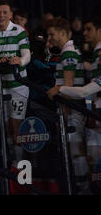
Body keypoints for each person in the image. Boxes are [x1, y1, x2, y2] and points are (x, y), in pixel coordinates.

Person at [46, 17, 90, 194]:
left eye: (52, 34)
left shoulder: (69, 53)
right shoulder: (68, 51)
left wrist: (64, 108)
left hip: (74, 109)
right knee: (74, 151)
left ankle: (84, 189)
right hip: (72, 108)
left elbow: (69, 85)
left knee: (76, 151)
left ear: (62, 33)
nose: (49, 39)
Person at [0, 0, 31, 168]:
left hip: (18, 85)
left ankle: (19, 163)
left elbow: (27, 55)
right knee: (5, 126)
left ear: (10, 14)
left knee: (16, 124)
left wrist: (19, 60)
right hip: (1, 86)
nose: (1, 15)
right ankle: (11, 160)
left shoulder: (19, 31)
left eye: (5, 12)